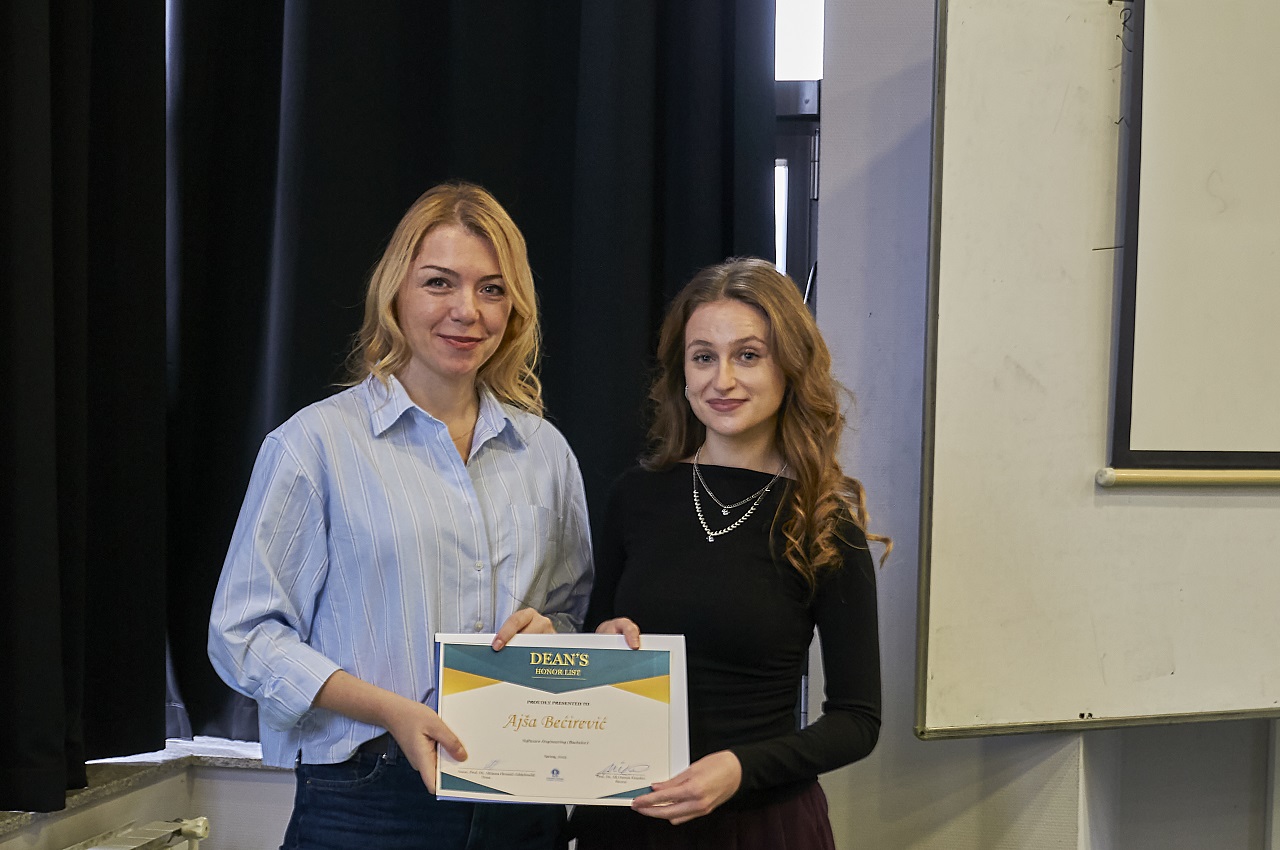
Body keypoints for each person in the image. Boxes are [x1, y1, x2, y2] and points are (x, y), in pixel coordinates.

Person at [208, 182, 592, 850]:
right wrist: (392, 711)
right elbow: (243, 635)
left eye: (492, 289)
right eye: (439, 283)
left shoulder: (546, 454)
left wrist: (549, 631)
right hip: (367, 800)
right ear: (395, 295)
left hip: (520, 799)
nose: (466, 311)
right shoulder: (314, 446)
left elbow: (566, 614)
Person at [572, 258, 889, 850]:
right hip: (629, 822)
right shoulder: (635, 497)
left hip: (759, 826)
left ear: (789, 366)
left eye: (747, 355)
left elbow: (858, 721)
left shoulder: (823, 522)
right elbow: (595, 649)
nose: (722, 380)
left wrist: (741, 769)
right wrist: (602, 645)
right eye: (703, 357)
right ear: (682, 373)